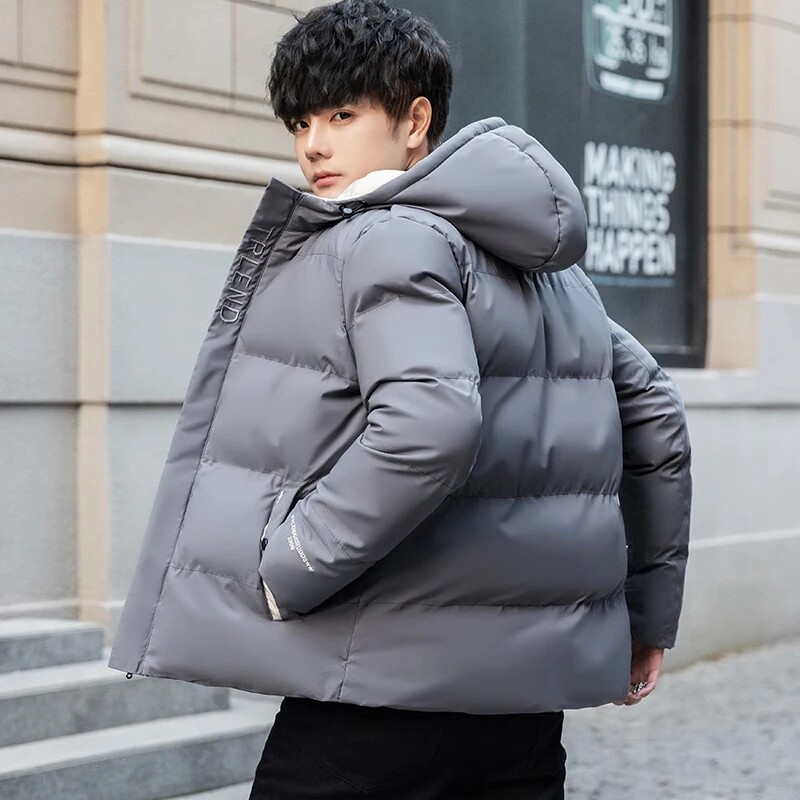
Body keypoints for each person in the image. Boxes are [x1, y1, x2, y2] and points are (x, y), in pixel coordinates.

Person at [107, 1, 692, 797]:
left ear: (415, 121)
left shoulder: (385, 238)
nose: (314, 144)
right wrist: (644, 619)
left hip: (379, 689)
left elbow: (429, 426)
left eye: (341, 115)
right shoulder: (558, 277)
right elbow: (655, 416)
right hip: (520, 707)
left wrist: (295, 563)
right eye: (301, 121)